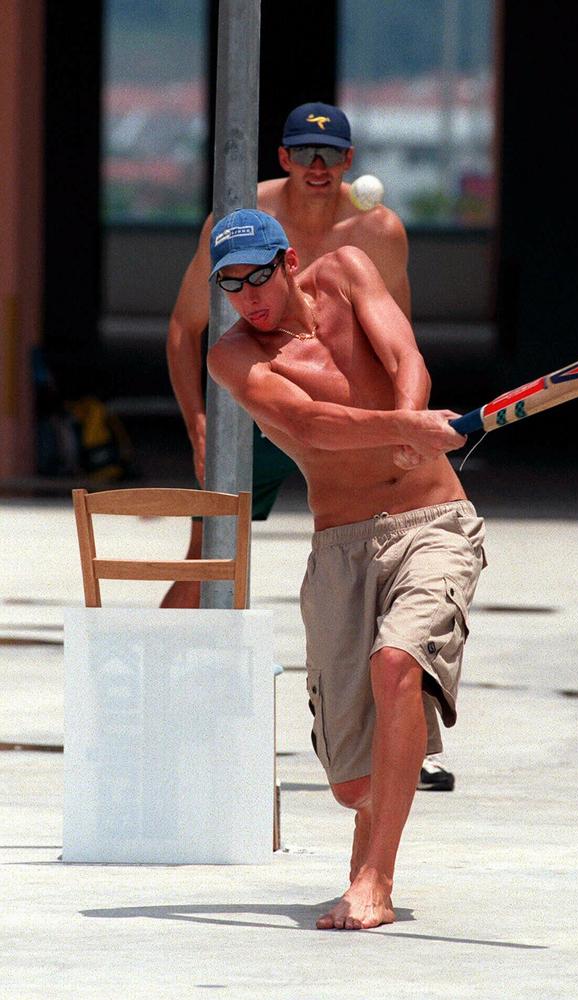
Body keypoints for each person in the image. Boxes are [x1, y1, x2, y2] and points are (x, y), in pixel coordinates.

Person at [206, 209, 486, 930]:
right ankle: (387, 779)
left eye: (257, 275)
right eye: (230, 284)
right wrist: (405, 429)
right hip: (339, 551)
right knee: (352, 784)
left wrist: (411, 412)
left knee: (396, 662)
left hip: (435, 524)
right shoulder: (233, 356)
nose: (247, 296)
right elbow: (305, 425)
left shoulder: (351, 271)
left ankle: (375, 881)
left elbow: (405, 357)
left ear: (289, 261)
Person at [163, 100, 454, 792]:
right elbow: (184, 329)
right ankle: (164, 688)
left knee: (395, 560)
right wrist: (199, 423)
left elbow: (399, 336)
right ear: (284, 159)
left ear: (349, 163)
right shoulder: (237, 226)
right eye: (304, 153)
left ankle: (415, 736)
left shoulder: (377, 232)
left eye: (331, 155)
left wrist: (404, 420)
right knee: (210, 548)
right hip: (267, 401)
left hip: (360, 408)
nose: (318, 166)